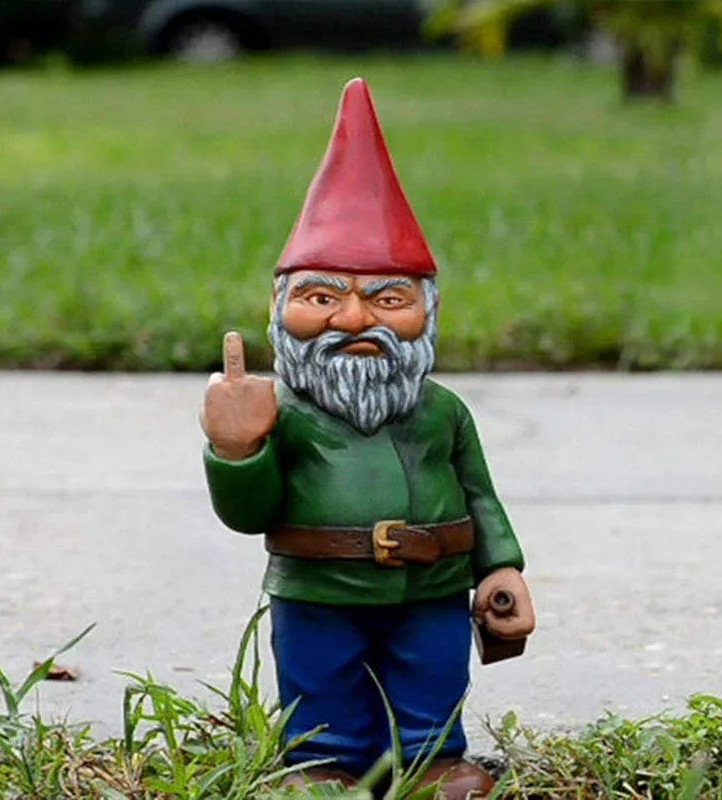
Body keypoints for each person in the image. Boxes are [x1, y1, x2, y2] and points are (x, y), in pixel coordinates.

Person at [200, 77, 535, 799]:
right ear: (279, 307)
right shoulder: (283, 414)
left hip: (432, 587)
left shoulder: (442, 412)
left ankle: (430, 759)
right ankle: (322, 761)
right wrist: (237, 450)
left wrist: (501, 569)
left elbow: (479, 493)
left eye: (388, 299)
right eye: (322, 297)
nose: (354, 320)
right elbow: (250, 515)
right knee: (320, 679)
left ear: (428, 312)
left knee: (431, 673)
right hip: (317, 589)